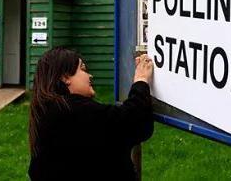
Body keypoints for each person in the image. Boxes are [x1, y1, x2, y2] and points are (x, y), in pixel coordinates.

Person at [28, 47, 154, 180]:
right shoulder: (73, 112)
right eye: (82, 69)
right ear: (65, 77)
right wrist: (141, 80)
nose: (89, 76)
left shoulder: (48, 111)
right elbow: (133, 122)